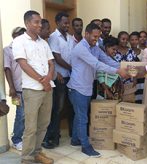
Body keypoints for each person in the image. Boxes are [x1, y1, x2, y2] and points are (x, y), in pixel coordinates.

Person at [67, 23, 129, 157]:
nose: (96, 39)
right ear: (86, 34)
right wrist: (118, 71)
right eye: (94, 37)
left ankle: (75, 140)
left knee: (80, 115)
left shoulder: (94, 48)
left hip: (87, 87)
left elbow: (106, 59)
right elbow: (97, 64)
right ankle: (85, 146)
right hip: (77, 88)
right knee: (83, 118)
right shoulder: (80, 48)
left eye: (98, 37)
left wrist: (124, 67)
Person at [12, 10, 54, 164]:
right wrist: (42, 80)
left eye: (41, 22)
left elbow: (51, 62)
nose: (40, 25)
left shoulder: (43, 42)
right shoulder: (19, 41)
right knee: (30, 127)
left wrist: (49, 77)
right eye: (36, 22)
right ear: (27, 23)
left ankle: (37, 153)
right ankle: (27, 159)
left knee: (44, 124)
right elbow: (23, 64)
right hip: (32, 90)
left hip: (48, 88)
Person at [43, 12, 75, 149]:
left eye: (68, 22)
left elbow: (73, 55)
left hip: (71, 77)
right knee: (58, 108)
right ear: (57, 22)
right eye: (64, 22)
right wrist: (72, 68)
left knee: (70, 106)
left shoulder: (70, 37)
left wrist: (74, 70)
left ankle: (73, 134)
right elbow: (56, 58)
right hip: (60, 78)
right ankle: (53, 137)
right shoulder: (53, 37)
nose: (67, 25)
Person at [3, 27, 26, 151]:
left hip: (29, 87)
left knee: (28, 115)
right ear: (13, 36)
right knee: (20, 114)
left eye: (23, 34)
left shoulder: (25, 48)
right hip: (16, 89)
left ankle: (22, 137)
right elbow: (7, 69)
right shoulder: (8, 50)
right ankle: (16, 139)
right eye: (19, 34)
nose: (21, 36)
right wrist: (11, 87)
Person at [115, 31, 138, 103]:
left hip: (129, 82)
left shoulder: (131, 51)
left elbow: (135, 66)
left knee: (128, 105)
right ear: (118, 39)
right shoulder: (114, 51)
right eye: (123, 39)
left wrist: (135, 78)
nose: (125, 41)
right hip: (116, 82)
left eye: (127, 39)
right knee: (116, 104)